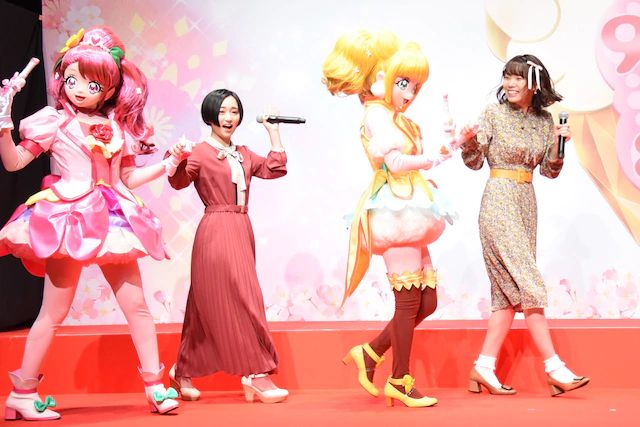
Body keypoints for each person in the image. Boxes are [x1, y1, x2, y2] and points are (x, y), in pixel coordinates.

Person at [0, 27, 182, 420]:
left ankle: (155, 386)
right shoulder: (53, 122)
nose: (80, 90)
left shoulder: (117, 127)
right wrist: (4, 121)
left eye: (92, 84)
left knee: (137, 306)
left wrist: (166, 166)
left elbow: (125, 179)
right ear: (62, 80)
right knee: (53, 312)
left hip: (113, 218)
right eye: (72, 80)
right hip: (69, 219)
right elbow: (14, 163)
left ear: (109, 89)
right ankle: (22, 392)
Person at [322, 30, 477, 408]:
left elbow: (419, 156)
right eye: (404, 83)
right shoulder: (376, 115)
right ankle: (400, 380)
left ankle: (371, 352)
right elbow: (394, 162)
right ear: (382, 78)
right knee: (408, 303)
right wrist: (434, 158)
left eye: (415, 86)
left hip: (412, 207)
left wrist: (453, 144)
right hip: (397, 211)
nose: (409, 93)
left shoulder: (395, 117)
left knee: (428, 302)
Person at [461, 54, 589, 396]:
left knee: (506, 294)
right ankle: (555, 368)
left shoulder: (545, 121)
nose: (510, 83)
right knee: (529, 283)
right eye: (507, 76)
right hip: (498, 200)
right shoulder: (493, 113)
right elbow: (474, 162)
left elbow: (549, 171)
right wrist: (468, 140)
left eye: (518, 77)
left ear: (534, 83)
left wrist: (560, 147)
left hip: (526, 203)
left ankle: (483, 367)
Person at [166, 88, 289, 404]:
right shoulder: (199, 151)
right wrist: (176, 157)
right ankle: (257, 372)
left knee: (203, 303)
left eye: (234, 111)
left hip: (241, 227)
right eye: (222, 111)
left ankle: (182, 370)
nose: (228, 117)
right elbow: (178, 181)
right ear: (210, 114)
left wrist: (273, 132)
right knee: (244, 297)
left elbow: (274, 168)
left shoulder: (244, 153)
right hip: (216, 229)